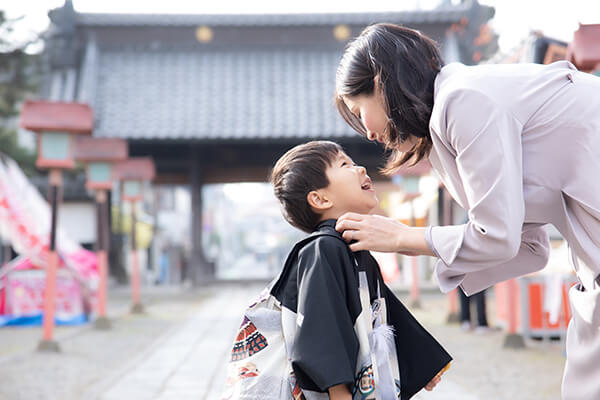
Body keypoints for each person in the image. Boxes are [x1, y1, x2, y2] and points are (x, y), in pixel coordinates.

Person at [333, 23, 600, 399]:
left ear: (382, 84)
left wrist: (404, 237)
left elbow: (499, 236)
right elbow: (530, 247)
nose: (367, 131)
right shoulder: (455, 109)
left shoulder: (462, 101)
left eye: (360, 110)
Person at [270, 141, 452, 400]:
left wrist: (420, 359)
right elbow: (322, 324)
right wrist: (338, 391)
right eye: (345, 164)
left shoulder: (353, 246)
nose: (360, 169)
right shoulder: (323, 248)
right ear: (320, 199)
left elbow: (384, 307)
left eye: (354, 162)